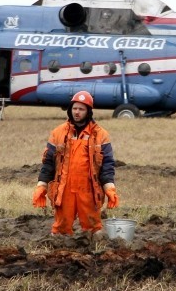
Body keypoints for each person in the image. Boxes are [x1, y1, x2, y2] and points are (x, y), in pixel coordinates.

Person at [32, 90, 118, 236]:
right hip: (64, 188)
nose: (77, 112)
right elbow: (48, 163)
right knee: (61, 228)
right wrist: (41, 185)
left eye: (81, 109)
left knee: (93, 227)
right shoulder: (58, 133)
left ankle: (94, 251)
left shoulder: (101, 135)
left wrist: (109, 188)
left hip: (89, 189)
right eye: (75, 108)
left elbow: (107, 165)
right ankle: (60, 252)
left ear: (89, 111)